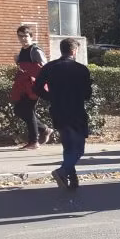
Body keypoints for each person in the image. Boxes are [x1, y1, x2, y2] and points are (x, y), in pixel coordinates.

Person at [33, 38, 92, 190]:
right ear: (74, 51)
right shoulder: (81, 69)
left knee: (68, 145)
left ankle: (72, 179)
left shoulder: (49, 67)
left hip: (58, 110)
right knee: (78, 148)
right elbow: (87, 94)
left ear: (62, 50)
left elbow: (36, 88)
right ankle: (63, 171)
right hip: (76, 111)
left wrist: (51, 96)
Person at [10, 25, 52, 149]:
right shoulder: (22, 51)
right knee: (18, 110)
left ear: (31, 36)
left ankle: (34, 141)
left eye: (26, 36)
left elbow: (45, 68)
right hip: (24, 87)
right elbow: (25, 68)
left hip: (34, 87)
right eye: (20, 36)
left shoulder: (35, 50)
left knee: (28, 111)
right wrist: (17, 61)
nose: (23, 39)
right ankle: (44, 129)